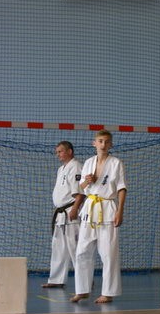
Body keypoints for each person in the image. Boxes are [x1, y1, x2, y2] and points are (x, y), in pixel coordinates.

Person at [71, 130, 127, 304]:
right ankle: (82, 290)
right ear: (94, 143)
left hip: (108, 208)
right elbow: (81, 188)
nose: (103, 144)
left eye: (107, 142)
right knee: (82, 251)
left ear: (111, 144)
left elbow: (121, 188)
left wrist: (120, 211)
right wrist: (86, 181)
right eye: (100, 141)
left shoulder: (116, 163)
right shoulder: (88, 163)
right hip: (89, 209)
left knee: (108, 253)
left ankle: (108, 293)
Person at [43, 141, 85, 289]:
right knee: (58, 248)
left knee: (75, 249)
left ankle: (85, 280)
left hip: (71, 212)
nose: (58, 155)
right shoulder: (61, 169)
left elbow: (80, 192)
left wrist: (75, 209)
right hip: (61, 214)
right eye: (57, 152)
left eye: (60, 151)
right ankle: (56, 279)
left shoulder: (76, 167)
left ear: (70, 151)